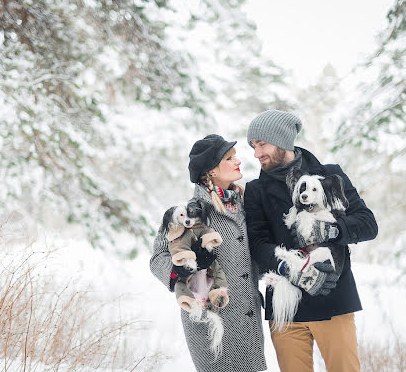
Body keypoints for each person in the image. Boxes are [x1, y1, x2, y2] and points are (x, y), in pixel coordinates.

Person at [244, 110, 378, 372]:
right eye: (253, 146)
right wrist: (289, 267)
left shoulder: (330, 176)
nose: (256, 153)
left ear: (282, 140)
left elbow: (367, 224)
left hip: (333, 300)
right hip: (286, 308)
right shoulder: (256, 191)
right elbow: (258, 244)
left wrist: (331, 231)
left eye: (262, 144)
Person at [150, 134, 267, 372]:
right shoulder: (187, 213)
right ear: (211, 170)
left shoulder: (246, 204)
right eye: (229, 158)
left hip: (246, 317)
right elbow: (158, 258)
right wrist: (181, 269)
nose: (238, 162)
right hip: (210, 321)